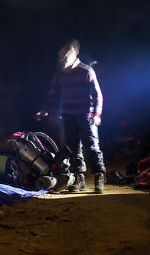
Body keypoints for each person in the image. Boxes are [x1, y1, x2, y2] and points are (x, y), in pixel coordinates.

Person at [36, 39, 106, 193]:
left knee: (92, 147)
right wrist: (44, 109)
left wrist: (96, 114)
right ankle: (79, 178)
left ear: (75, 53)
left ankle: (99, 178)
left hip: (86, 117)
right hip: (69, 117)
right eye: (60, 56)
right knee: (73, 148)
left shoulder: (86, 72)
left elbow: (97, 95)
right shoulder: (59, 75)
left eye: (65, 55)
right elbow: (52, 95)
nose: (62, 58)